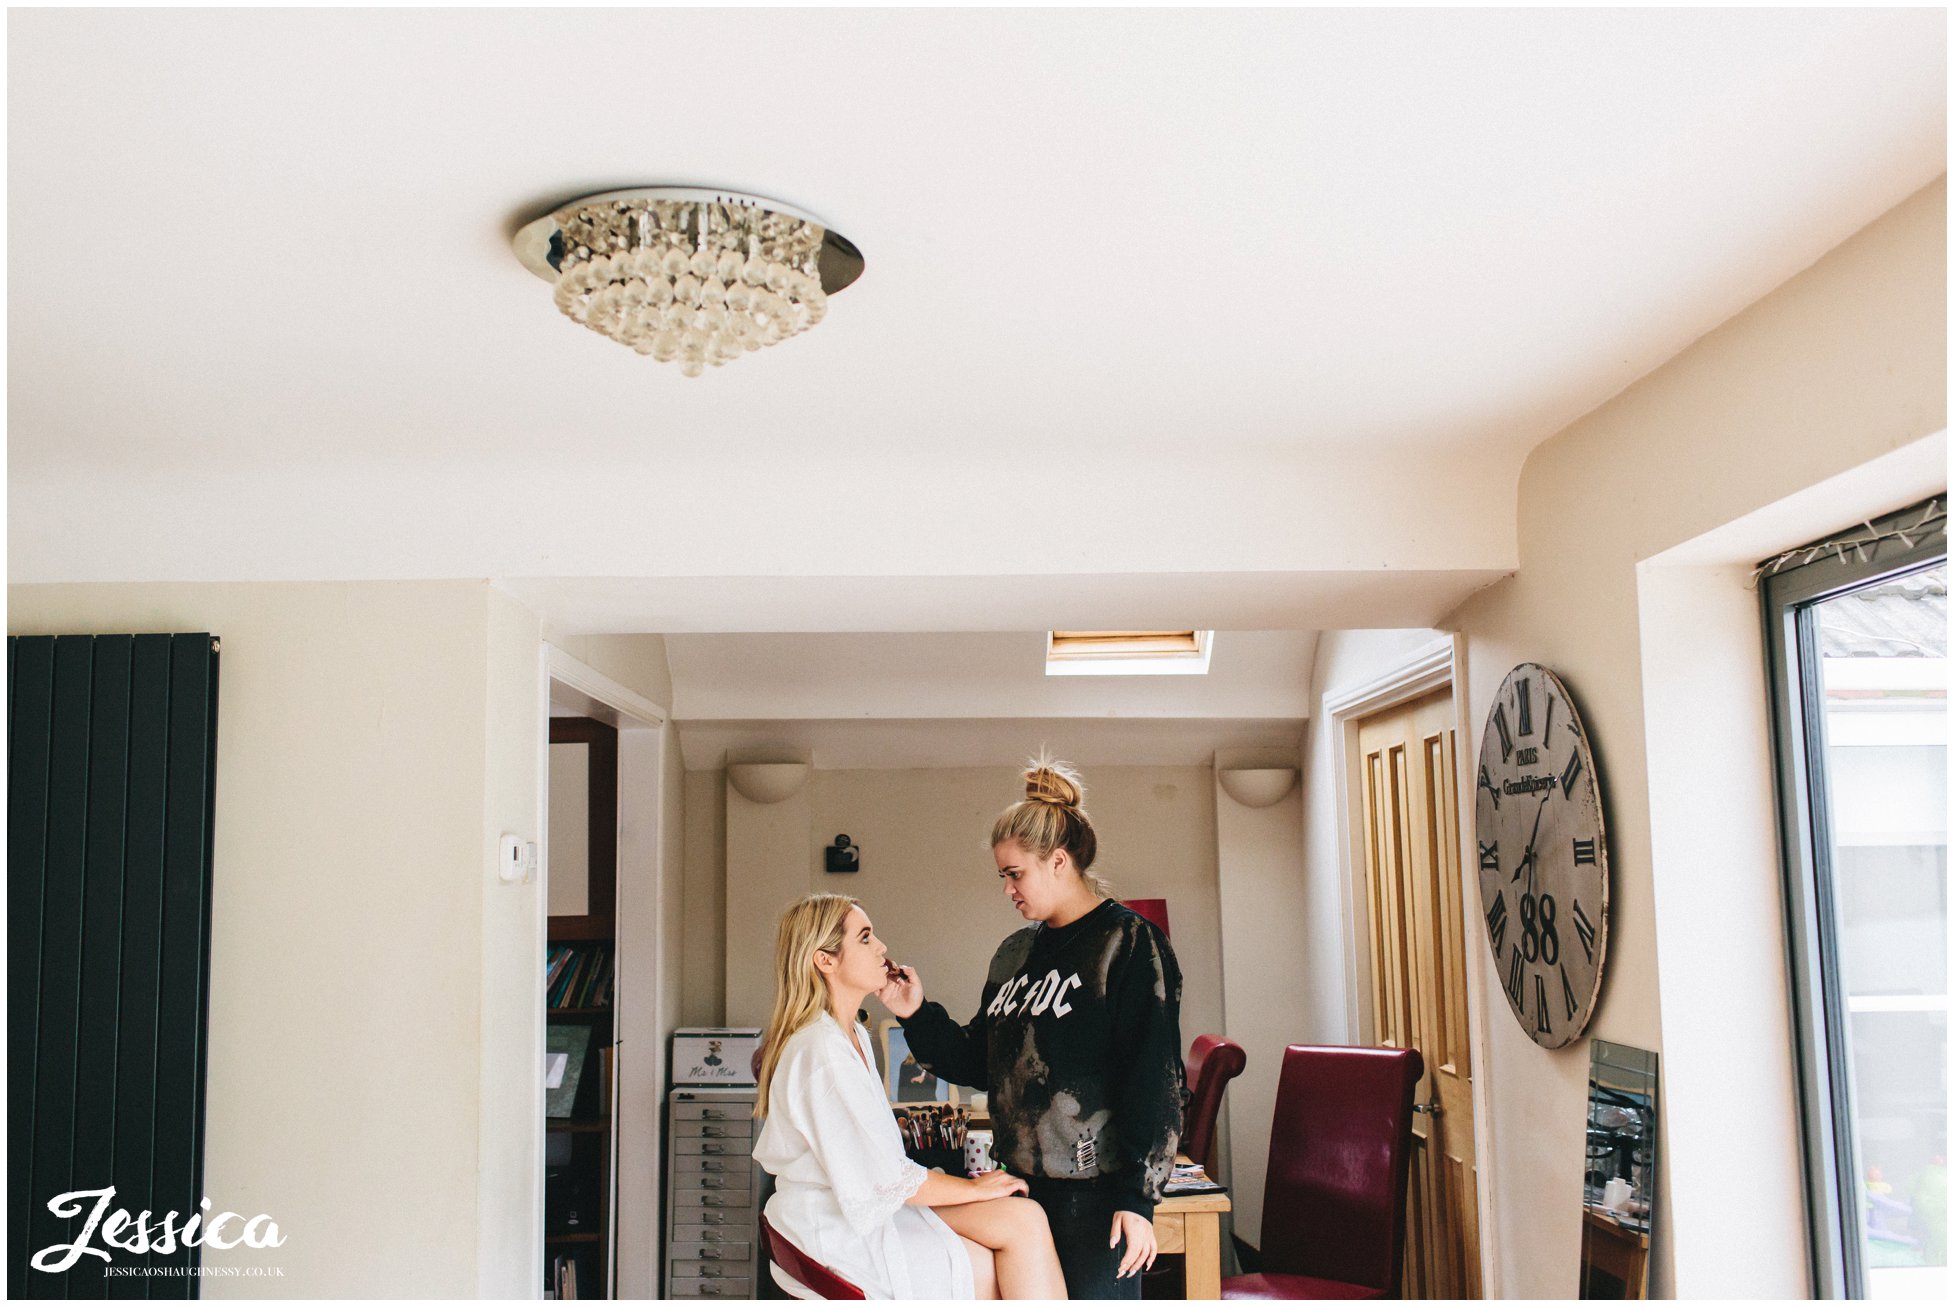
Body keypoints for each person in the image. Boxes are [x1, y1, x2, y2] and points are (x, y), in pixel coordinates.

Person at [880, 759, 1186, 1300]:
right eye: (1002, 876)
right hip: (1021, 1192)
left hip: (1099, 1199)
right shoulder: (1014, 954)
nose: (1008, 891)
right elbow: (980, 1061)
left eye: (1014, 874)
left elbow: (1155, 1078)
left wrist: (1139, 1199)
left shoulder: (1129, 944)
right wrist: (915, 1012)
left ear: (1059, 862)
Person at [752, 893, 1067, 1301]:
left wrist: (976, 1188)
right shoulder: (821, 1053)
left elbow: (880, 1169)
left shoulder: (852, 1036)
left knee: (1024, 1218)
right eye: (865, 938)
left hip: (858, 1207)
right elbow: (885, 1179)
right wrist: (974, 1189)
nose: (881, 947)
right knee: (993, 1264)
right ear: (825, 960)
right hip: (840, 1229)